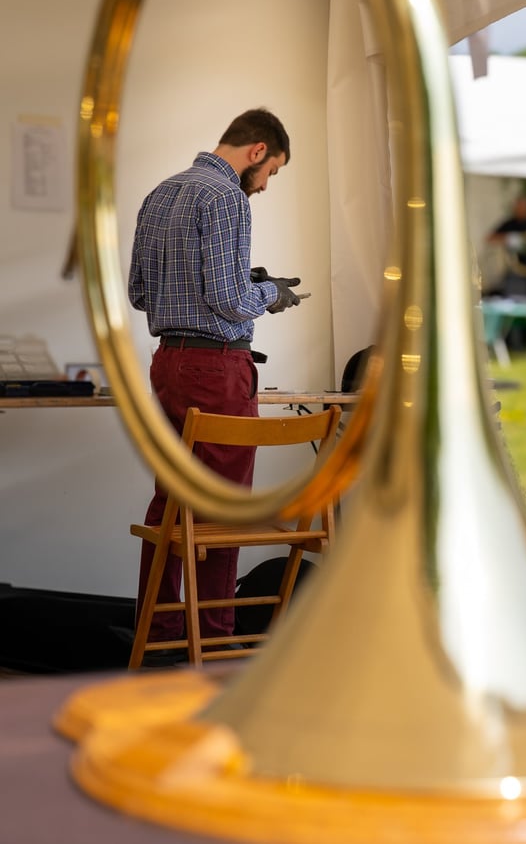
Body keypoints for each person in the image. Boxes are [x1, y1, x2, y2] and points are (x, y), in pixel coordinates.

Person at [128, 107, 302, 663]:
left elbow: (139, 293)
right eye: (271, 171)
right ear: (257, 151)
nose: (265, 185)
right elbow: (228, 301)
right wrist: (270, 293)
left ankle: (159, 636)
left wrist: (237, 283)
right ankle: (217, 640)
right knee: (223, 508)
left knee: (171, 504)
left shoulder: (161, 193)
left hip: (167, 364)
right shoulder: (227, 197)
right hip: (217, 368)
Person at [486, 194, 526, 296]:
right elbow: (490, 239)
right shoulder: (509, 224)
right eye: (521, 207)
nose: (523, 210)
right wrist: (508, 238)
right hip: (513, 270)